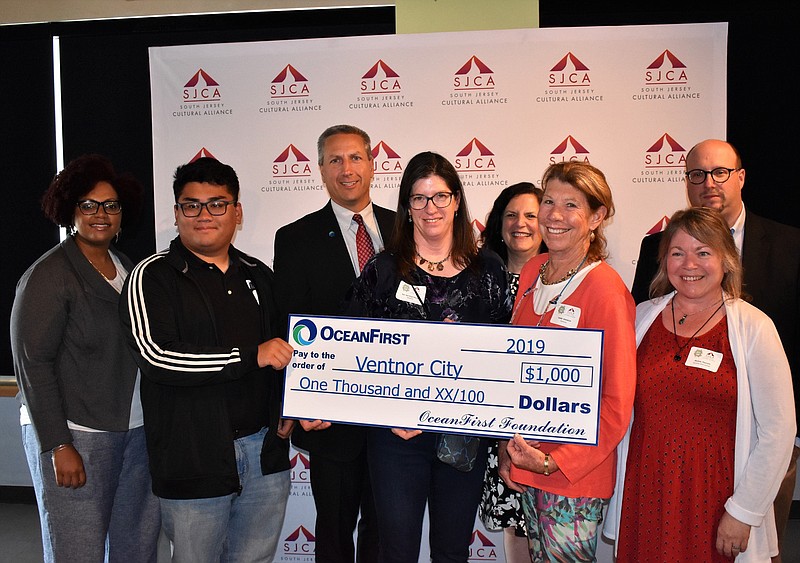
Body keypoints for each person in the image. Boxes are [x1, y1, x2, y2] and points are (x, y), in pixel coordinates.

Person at [630, 139, 800, 561]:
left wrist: (743, 511)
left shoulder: (754, 326)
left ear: (726, 260)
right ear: (663, 259)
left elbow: (778, 429)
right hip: (646, 489)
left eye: (703, 253)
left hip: (722, 490)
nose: (690, 264)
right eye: (677, 253)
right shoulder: (640, 318)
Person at [120, 157, 293, 563]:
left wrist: (288, 407)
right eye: (191, 205)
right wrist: (251, 356)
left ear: (237, 212)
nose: (204, 215)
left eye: (217, 204)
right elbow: (157, 358)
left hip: (263, 452)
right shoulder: (151, 276)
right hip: (192, 457)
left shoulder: (259, 275)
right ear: (177, 213)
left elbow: (286, 353)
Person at [342, 150, 512, 562]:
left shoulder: (488, 270)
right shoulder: (382, 271)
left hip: (463, 436)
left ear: (456, 201)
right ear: (407, 206)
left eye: (439, 196)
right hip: (397, 439)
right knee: (395, 550)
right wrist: (386, 412)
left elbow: (506, 356)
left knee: (452, 551)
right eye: (418, 198)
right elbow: (351, 351)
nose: (430, 208)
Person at [10, 154, 160, 562]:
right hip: (76, 433)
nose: (101, 214)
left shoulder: (124, 266)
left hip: (133, 430)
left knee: (136, 545)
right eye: (88, 205)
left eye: (111, 205)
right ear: (69, 210)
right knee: (76, 549)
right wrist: (59, 444)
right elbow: (32, 364)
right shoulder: (49, 275)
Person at [501, 161, 636, 561]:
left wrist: (551, 461)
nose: (554, 215)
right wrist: (509, 452)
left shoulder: (605, 290)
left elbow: (616, 403)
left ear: (597, 217)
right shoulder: (532, 270)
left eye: (571, 205)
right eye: (548, 201)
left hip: (573, 477)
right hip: (527, 463)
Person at [273, 124, 394, 563]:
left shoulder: (405, 229)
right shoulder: (295, 238)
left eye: (356, 158)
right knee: (335, 534)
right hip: (331, 418)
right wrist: (298, 400)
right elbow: (289, 327)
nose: (347, 169)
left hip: (395, 417)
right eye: (335, 160)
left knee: (386, 535)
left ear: (373, 164)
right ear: (320, 169)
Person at [478, 182, 544, 562]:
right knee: (515, 525)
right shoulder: (479, 277)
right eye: (512, 215)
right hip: (496, 426)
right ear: (498, 222)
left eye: (531, 215)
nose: (521, 224)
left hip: (551, 426)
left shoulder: (569, 281)